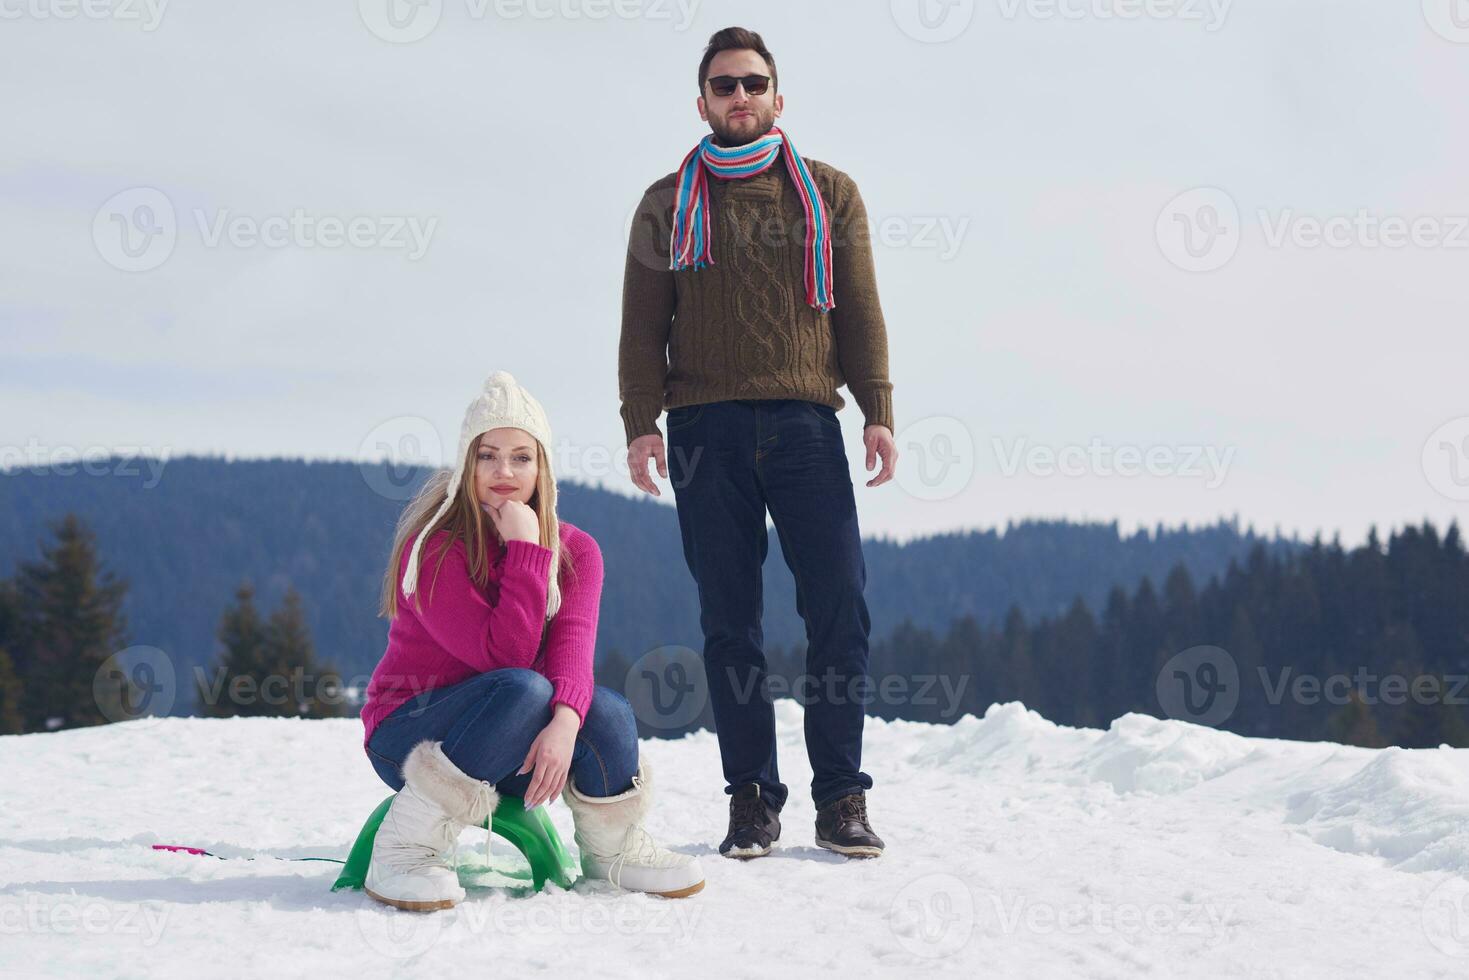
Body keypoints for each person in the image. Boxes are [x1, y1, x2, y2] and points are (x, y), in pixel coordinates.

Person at [619, 27, 897, 860]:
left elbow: (859, 307)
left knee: (839, 607)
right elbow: (642, 328)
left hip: (807, 422)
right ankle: (750, 799)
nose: (738, 96)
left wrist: (877, 407)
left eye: (753, 83)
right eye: (722, 85)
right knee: (729, 622)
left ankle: (840, 797)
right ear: (701, 102)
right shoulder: (665, 202)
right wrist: (640, 424)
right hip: (703, 428)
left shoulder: (830, 193)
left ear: (779, 97)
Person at [359, 371, 704, 910]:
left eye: (522, 457)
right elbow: (507, 657)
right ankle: (405, 849)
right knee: (523, 688)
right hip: (410, 735)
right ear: (465, 463)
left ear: (543, 467)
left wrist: (567, 724)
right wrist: (523, 550)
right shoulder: (436, 548)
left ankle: (612, 850)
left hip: (513, 744)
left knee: (605, 711)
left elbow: (572, 650)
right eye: (487, 456)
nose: (504, 472)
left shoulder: (577, 551)